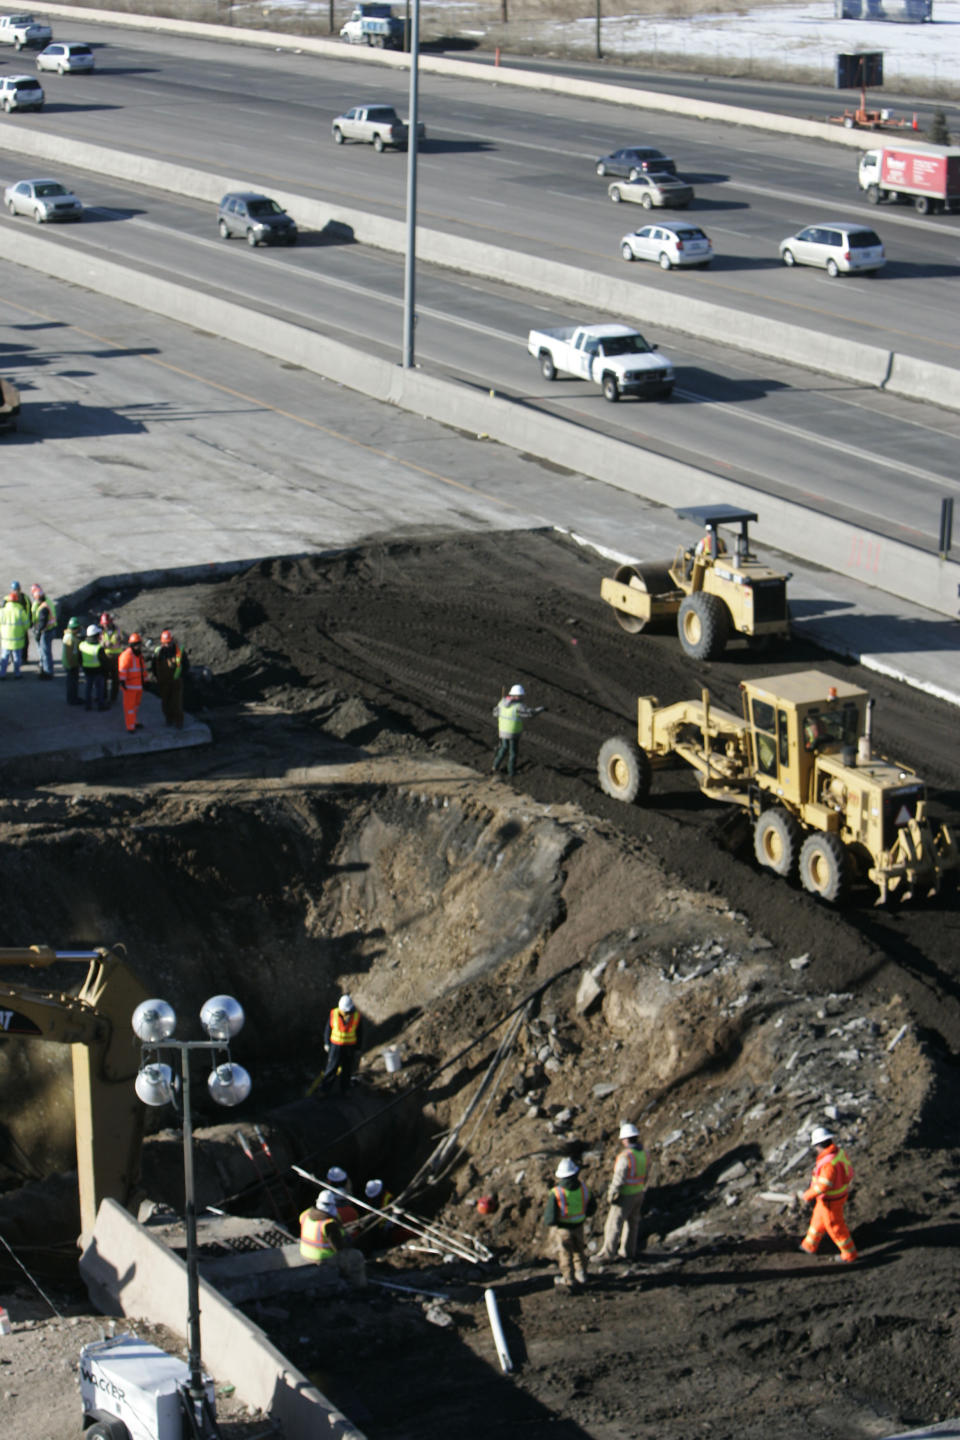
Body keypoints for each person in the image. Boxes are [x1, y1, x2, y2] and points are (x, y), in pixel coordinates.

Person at [798, 1126, 858, 1264]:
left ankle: (849, 1254)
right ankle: (809, 1245)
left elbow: (824, 1185)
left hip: (831, 1201)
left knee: (835, 1227)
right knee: (817, 1221)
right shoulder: (838, 1153)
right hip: (830, 1198)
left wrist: (807, 1195)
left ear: (818, 1145)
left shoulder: (828, 1163)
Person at [597, 1122, 648, 1262]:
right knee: (632, 1224)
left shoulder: (626, 1156)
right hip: (639, 1193)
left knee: (614, 1223)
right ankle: (628, 1252)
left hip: (626, 1194)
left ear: (625, 1139)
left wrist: (612, 1193)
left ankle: (607, 1254)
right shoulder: (644, 1154)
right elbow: (646, 1174)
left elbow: (619, 1177)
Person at [544, 1157, 596, 1290]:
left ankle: (569, 1279)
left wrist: (553, 1223)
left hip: (564, 1229)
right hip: (579, 1225)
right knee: (579, 1251)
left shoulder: (557, 1192)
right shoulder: (584, 1188)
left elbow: (550, 1216)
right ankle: (582, 1274)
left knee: (565, 1253)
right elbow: (592, 1207)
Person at [299, 1190, 366, 1288]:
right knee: (356, 1256)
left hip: (304, 1253)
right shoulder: (328, 1224)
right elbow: (339, 1248)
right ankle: (360, 1286)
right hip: (321, 1259)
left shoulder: (305, 1214)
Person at [492, 684, 544, 778]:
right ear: (517, 696)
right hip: (513, 733)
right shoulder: (518, 706)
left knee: (504, 748)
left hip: (503, 731)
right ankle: (511, 772)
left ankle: (495, 766)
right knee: (513, 752)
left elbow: (495, 713)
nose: (522, 697)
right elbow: (529, 714)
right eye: (521, 696)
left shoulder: (502, 702)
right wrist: (541, 709)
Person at [320, 994, 363, 1094]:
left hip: (349, 1048)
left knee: (347, 1070)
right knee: (331, 1068)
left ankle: (345, 1090)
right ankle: (324, 1090)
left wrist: (358, 1048)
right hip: (336, 1047)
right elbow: (328, 1029)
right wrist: (327, 1043)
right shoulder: (334, 1014)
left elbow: (359, 1033)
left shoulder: (356, 1016)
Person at [152, 628, 190, 728]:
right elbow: (153, 667)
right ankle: (169, 719)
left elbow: (186, 665)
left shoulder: (179, 651)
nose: (167, 645)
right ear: (162, 643)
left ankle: (179, 722)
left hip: (176, 681)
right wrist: (157, 677)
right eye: (165, 643)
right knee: (165, 702)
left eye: (169, 643)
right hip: (163, 682)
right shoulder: (158, 652)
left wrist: (181, 676)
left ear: (172, 641)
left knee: (177, 703)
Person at [118, 632, 147, 732]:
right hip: (129, 687)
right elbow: (123, 669)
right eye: (136, 644)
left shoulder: (139, 655)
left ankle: (134, 722)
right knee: (129, 708)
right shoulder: (127, 655)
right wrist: (122, 681)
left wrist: (145, 680)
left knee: (135, 706)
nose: (138, 646)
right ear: (132, 645)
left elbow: (143, 669)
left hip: (138, 686)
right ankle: (130, 727)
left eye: (139, 644)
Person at [0, 587, 31, 678]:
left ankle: (2, 674)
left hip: (6, 639)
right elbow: (26, 625)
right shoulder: (20, 611)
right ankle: (17, 674)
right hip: (18, 639)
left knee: (5, 657)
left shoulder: (2, 611)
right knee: (17, 657)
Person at [29, 584, 58, 680]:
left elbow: (42, 622)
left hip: (46, 631)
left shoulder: (43, 608)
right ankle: (46, 669)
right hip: (49, 629)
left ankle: (47, 672)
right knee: (46, 652)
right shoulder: (47, 602)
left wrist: (38, 631)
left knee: (45, 652)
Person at [79, 625, 108, 712]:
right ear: (95, 635)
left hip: (87, 670)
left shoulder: (82, 645)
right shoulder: (98, 648)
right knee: (99, 688)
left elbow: (79, 659)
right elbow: (104, 661)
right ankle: (101, 705)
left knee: (88, 688)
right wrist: (105, 672)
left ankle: (88, 705)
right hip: (98, 671)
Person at [99, 614, 124, 709]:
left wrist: (117, 640)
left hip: (117, 657)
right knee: (104, 678)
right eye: (103, 624)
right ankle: (104, 695)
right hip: (106, 657)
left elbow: (122, 639)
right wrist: (104, 644)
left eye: (106, 624)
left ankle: (113, 697)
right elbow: (98, 640)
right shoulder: (101, 631)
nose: (105, 625)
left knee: (115, 679)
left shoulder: (117, 630)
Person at [61, 617, 83, 706]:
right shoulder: (70, 638)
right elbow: (69, 653)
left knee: (73, 682)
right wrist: (72, 664)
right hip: (71, 665)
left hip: (71, 664)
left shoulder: (70, 636)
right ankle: (72, 699)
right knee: (72, 683)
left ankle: (73, 698)